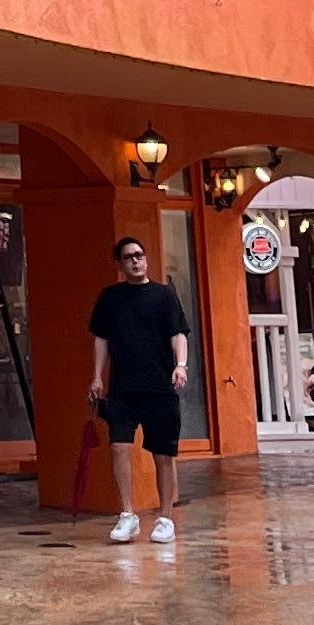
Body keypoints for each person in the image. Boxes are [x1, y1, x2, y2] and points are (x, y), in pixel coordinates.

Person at [87, 233, 191, 545]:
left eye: (139, 255)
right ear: (119, 264)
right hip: (122, 387)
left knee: (163, 453)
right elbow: (101, 338)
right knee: (119, 447)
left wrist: (180, 365)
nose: (136, 261)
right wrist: (97, 377)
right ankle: (127, 514)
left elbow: (178, 332)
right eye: (129, 257)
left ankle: (165, 518)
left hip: (159, 386)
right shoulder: (110, 298)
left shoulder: (164, 295)